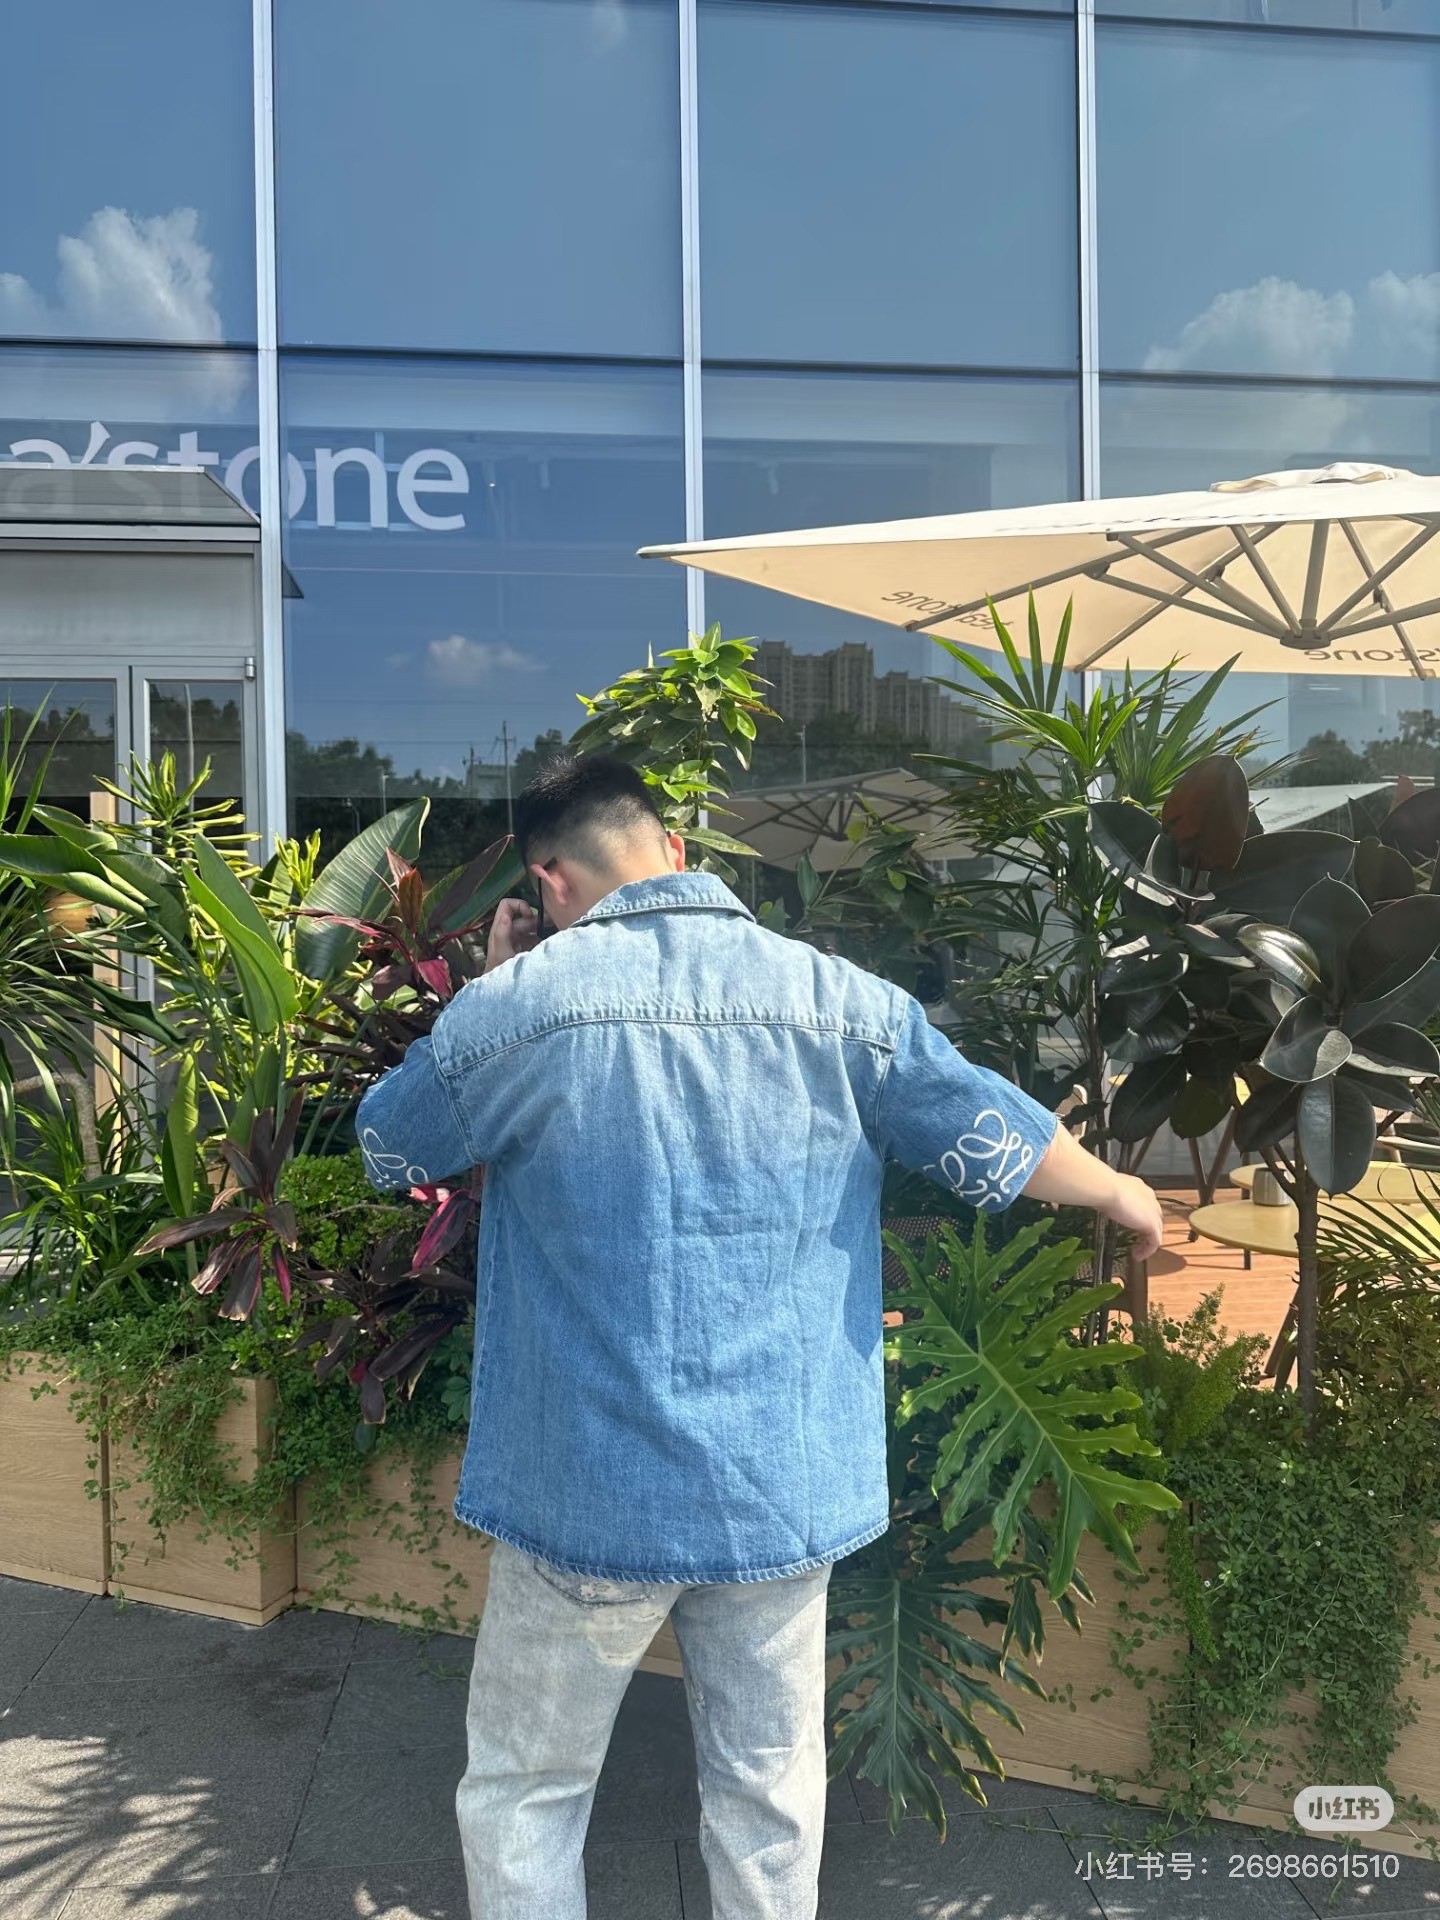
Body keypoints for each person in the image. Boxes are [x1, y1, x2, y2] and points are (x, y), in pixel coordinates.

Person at [356, 752, 1163, 1920]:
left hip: (587, 1489)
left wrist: (488, 989)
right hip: (776, 1488)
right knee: (769, 1795)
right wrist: (1123, 1195)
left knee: (529, 1791)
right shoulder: (842, 1001)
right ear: (675, 850)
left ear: (549, 881)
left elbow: (391, 1143)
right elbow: (992, 1129)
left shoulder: (519, 1007)